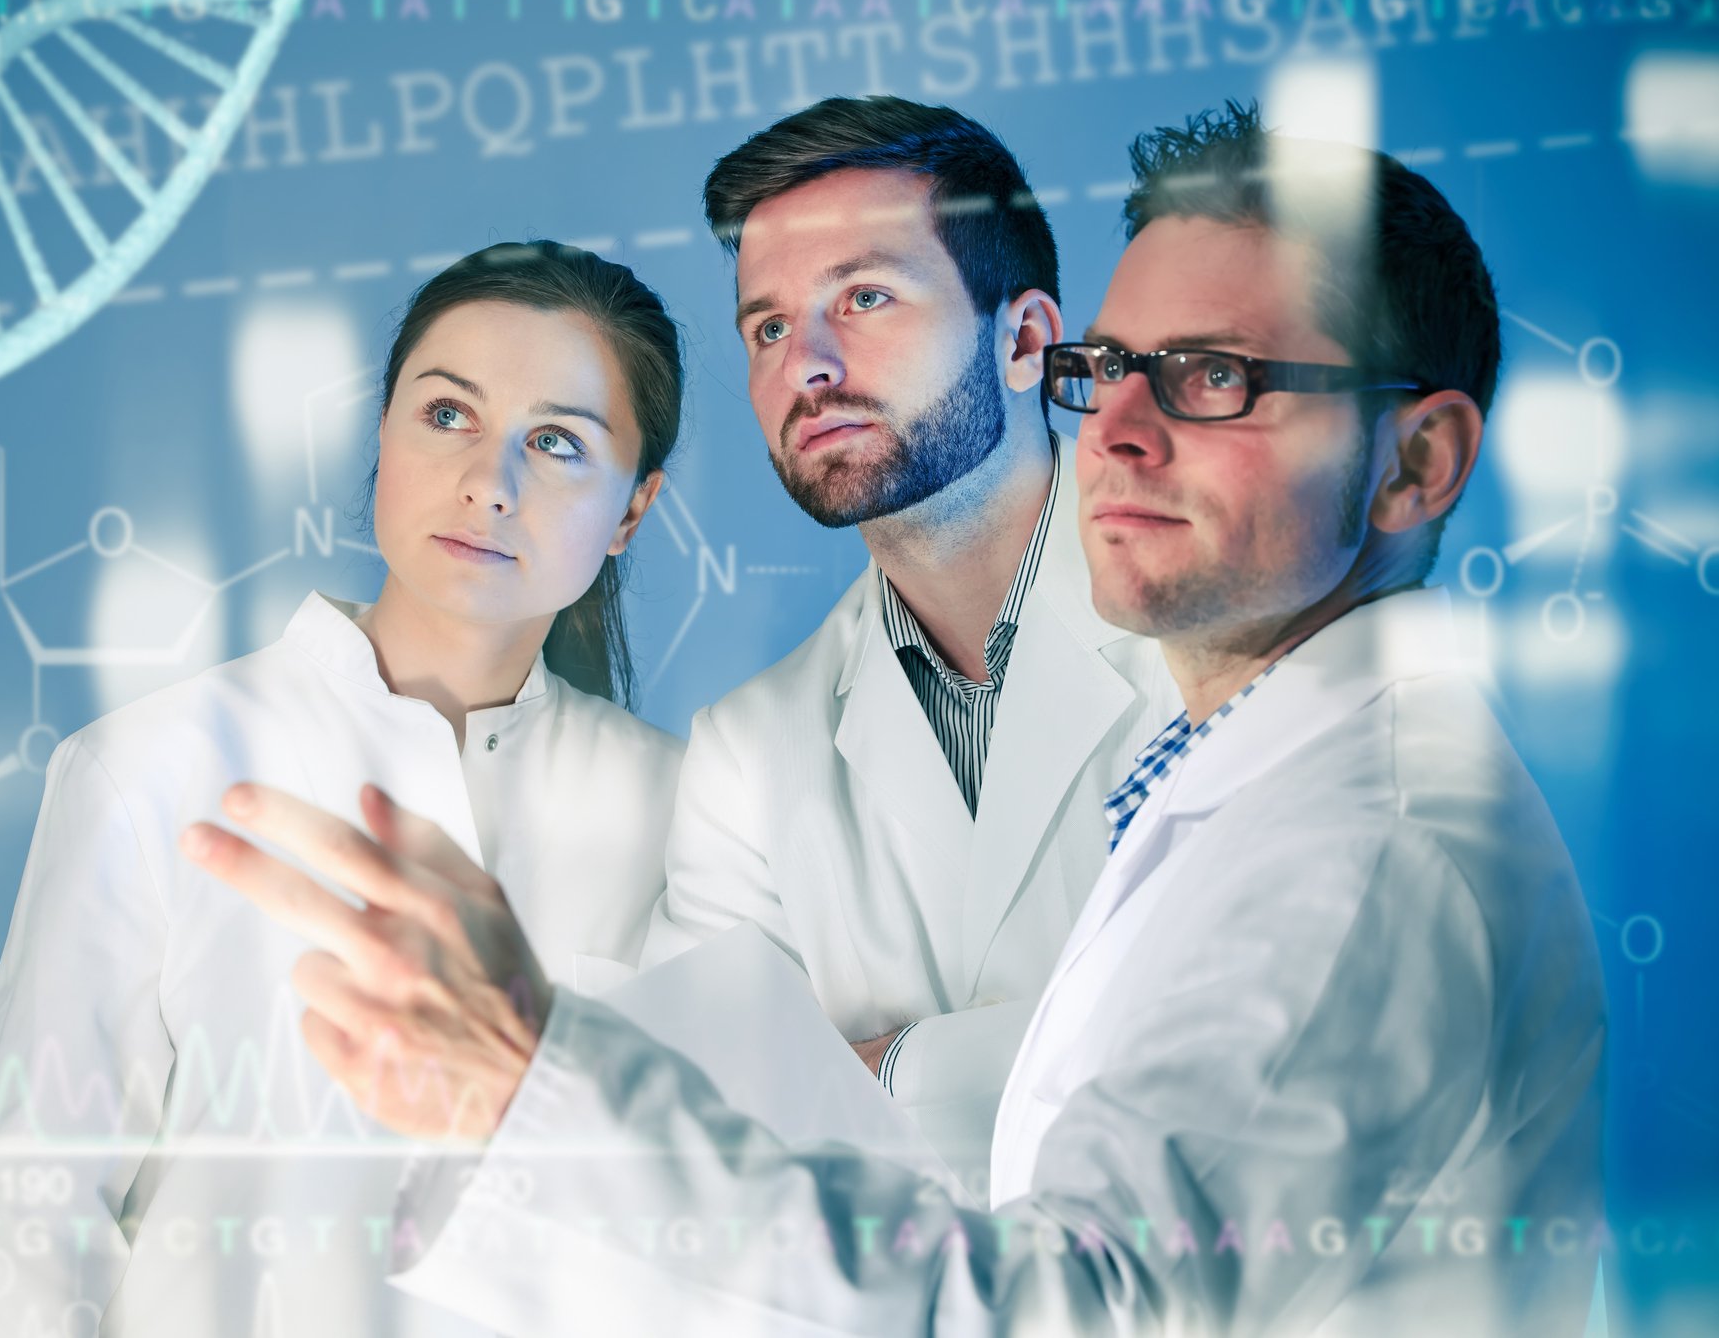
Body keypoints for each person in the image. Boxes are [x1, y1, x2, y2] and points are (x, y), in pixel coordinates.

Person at [189, 104, 1608, 1337]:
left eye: (1211, 377)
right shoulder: (1228, 771)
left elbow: (1059, 1303)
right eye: (1114, 373)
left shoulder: (1367, 851)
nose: (1118, 426)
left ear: (1416, 461)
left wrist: (535, 1091)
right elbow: (792, 1132)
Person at [0, 240, 689, 1337]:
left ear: (633, 511)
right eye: (447, 414)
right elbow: (20, 1230)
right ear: (383, 436)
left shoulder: (679, 812)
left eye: (555, 443)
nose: (486, 483)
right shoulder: (163, 766)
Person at [643, 96, 1180, 1184]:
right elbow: (709, 1154)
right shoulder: (746, 757)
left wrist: (888, 1073)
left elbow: (1234, 1053)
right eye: (769, 326)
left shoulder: (1229, 629)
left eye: (866, 295)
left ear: (1026, 338)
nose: (809, 363)